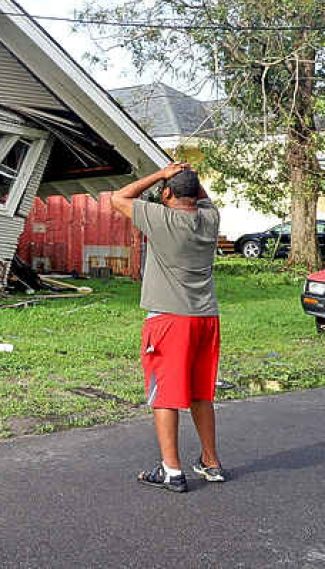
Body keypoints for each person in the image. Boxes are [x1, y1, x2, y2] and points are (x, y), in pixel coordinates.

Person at [111, 161, 227, 492]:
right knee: (200, 393)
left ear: (166, 194)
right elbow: (199, 196)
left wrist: (163, 173)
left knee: (165, 395)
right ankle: (211, 462)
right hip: (206, 318)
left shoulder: (162, 218)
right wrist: (186, 180)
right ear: (195, 193)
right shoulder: (209, 218)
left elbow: (119, 197)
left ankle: (172, 470)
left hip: (170, 321)